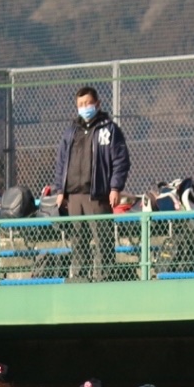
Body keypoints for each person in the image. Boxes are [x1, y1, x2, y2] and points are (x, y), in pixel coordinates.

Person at [49, 87, 131, 283]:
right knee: (78, 240)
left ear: (97, 104)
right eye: (80, 105)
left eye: (88, 103)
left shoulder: (109, 130)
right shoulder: (71, 132)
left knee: (102, 238)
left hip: (98, 195)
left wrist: (115, 188)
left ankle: (106, 276)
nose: (84, 108)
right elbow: (61, 162)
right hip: (74, 197)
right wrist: (60, 190)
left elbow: (121, 161)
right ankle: (80, 276)